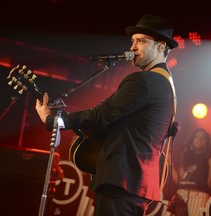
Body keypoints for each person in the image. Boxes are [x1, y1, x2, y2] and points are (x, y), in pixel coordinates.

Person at [35, 14, 179, 216]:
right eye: (132, 41)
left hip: (121, 181)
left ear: (161, 46)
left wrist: (54, 120)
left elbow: (102, 115)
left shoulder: (144, 80)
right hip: (135, 183)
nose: (133, 47)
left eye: (141, 41)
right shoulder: (166, 84)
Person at [167, 128, 211, 216]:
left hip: (199, 196)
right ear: (192, 139)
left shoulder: (209, 159)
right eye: (196, 137)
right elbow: (178, 181)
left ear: (206, 142)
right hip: (180, 194)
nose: (199, 140)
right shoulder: (185, 156)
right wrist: (171, 164)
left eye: (203, 138)